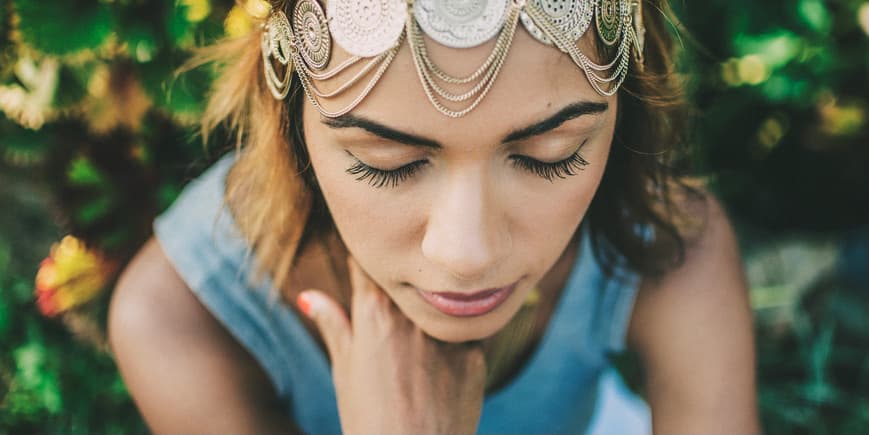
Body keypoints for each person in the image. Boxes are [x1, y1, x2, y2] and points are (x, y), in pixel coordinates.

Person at [108, 0, 760, 433]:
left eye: (548, 155)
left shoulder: (669, 250)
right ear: (290, 125)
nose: (465, 254)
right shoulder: (183, 319)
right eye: (385, 163)